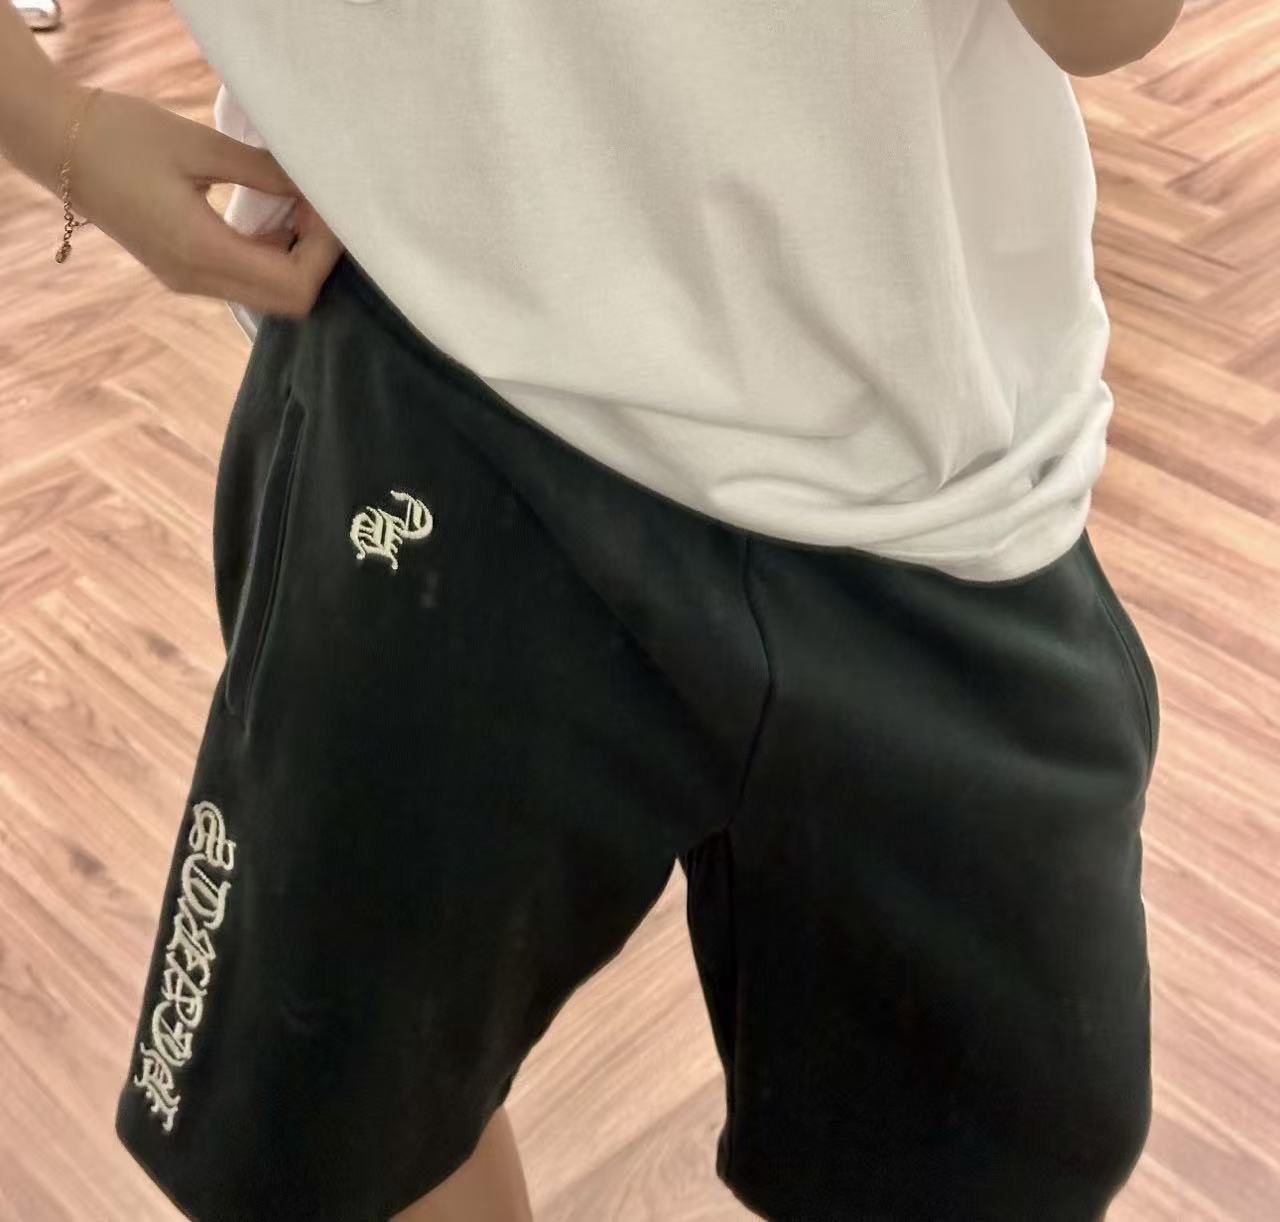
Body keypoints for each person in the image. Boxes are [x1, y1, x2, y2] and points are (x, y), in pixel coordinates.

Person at [1, 2, 1181, 1219]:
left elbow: (1107, 24)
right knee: (341, 1130)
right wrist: (52, 125)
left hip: (933, 445)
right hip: (428, 348)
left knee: (988, 1167)